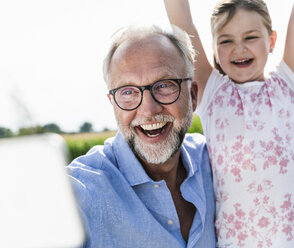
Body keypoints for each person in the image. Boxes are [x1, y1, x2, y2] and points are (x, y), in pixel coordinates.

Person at [163, 0, 294, 247]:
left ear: (271, 41)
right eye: (226, 41)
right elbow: (182, 25)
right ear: (214, 49)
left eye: (250, 37)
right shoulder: (213, 94)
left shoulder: (289, 85)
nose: (238, 48)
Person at [67, 25, 216, 248]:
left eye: (165, 85)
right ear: (113, 104)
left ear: (193, 96)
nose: (149, 109)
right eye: (128, 91)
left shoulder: (216, 160)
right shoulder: (82, 192)